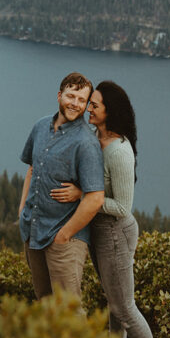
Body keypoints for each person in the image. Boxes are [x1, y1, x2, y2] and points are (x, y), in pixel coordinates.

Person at [50, 80, 154, 338]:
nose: (88, 110)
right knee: (114, 305)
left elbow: (122, 208)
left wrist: (82, 195)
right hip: (99, 231)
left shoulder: (119, 151)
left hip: (115, 232)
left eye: (94, 105)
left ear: (110, 111)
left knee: (125, 310)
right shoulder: (96, 138)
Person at [18, 71, 105, 300]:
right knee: (45, 302)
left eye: (81, 100)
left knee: (68, 310)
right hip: (33, 231)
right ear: (59, 95)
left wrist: (64, 235)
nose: (75, 104)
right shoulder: (40, 127)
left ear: (87, 105)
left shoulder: (86, 143)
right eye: (71, 96)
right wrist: (22, 212)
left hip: (64, 238)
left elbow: (95, 198)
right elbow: (31, 170)